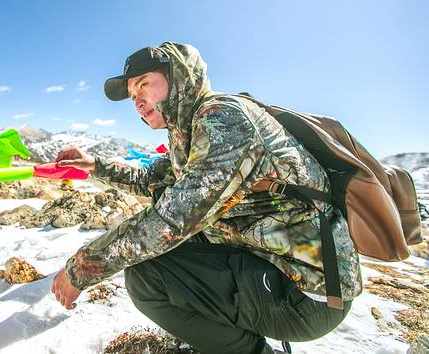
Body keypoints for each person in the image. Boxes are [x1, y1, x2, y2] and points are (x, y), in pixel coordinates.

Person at [50, 42, 362, 353]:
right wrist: (94, 165)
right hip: (273, 261)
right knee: (168, 251)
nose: (138, 102)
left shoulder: (223, 120)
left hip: (310, 292)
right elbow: (151, 182)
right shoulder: (188, 132)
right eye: (133, 96)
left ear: (179, 76)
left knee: (147, 277)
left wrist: (79, 271)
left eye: (144, 85)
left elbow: (172, 219)